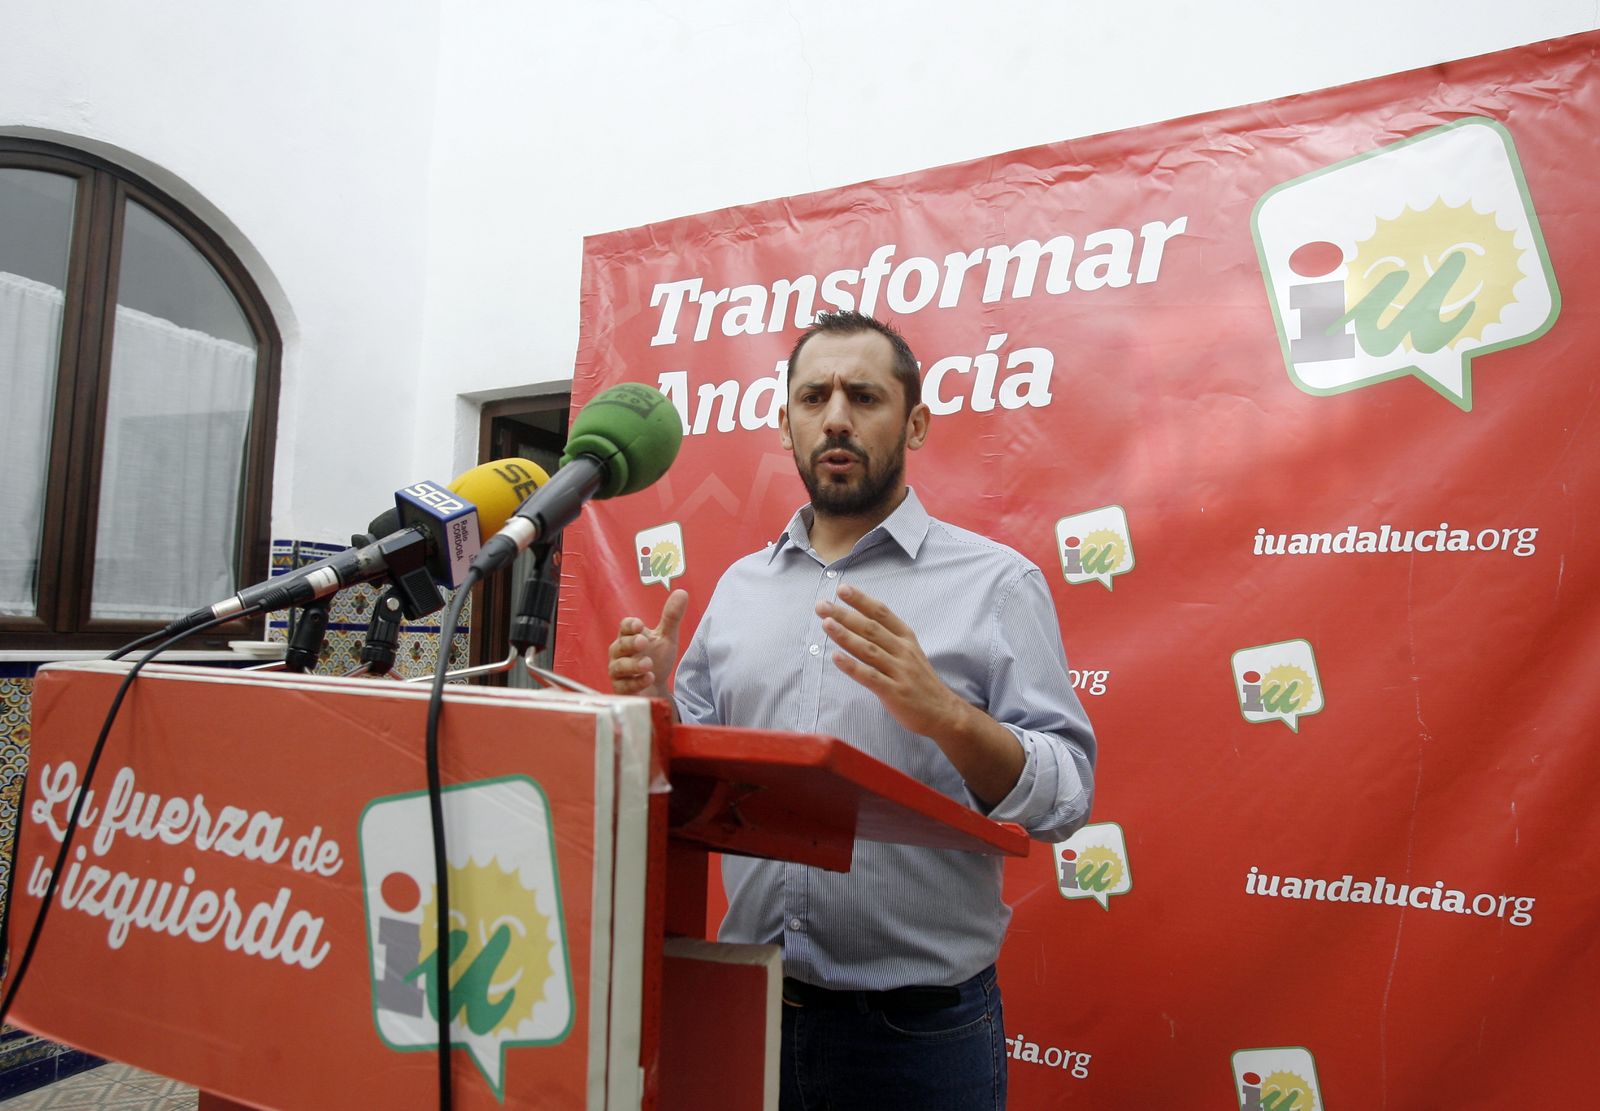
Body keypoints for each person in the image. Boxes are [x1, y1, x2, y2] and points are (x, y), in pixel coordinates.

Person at [608, 310, 1095, 1111]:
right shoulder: (738, 589)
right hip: (749, 1009)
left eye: (864, 395)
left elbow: (1069, 794)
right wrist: (652, 705)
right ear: (787, 422)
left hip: (917, 1041)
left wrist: (946, 714)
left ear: (917, 422)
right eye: (813, 397)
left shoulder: (996, 583)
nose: (835, 416)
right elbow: (691, 780)